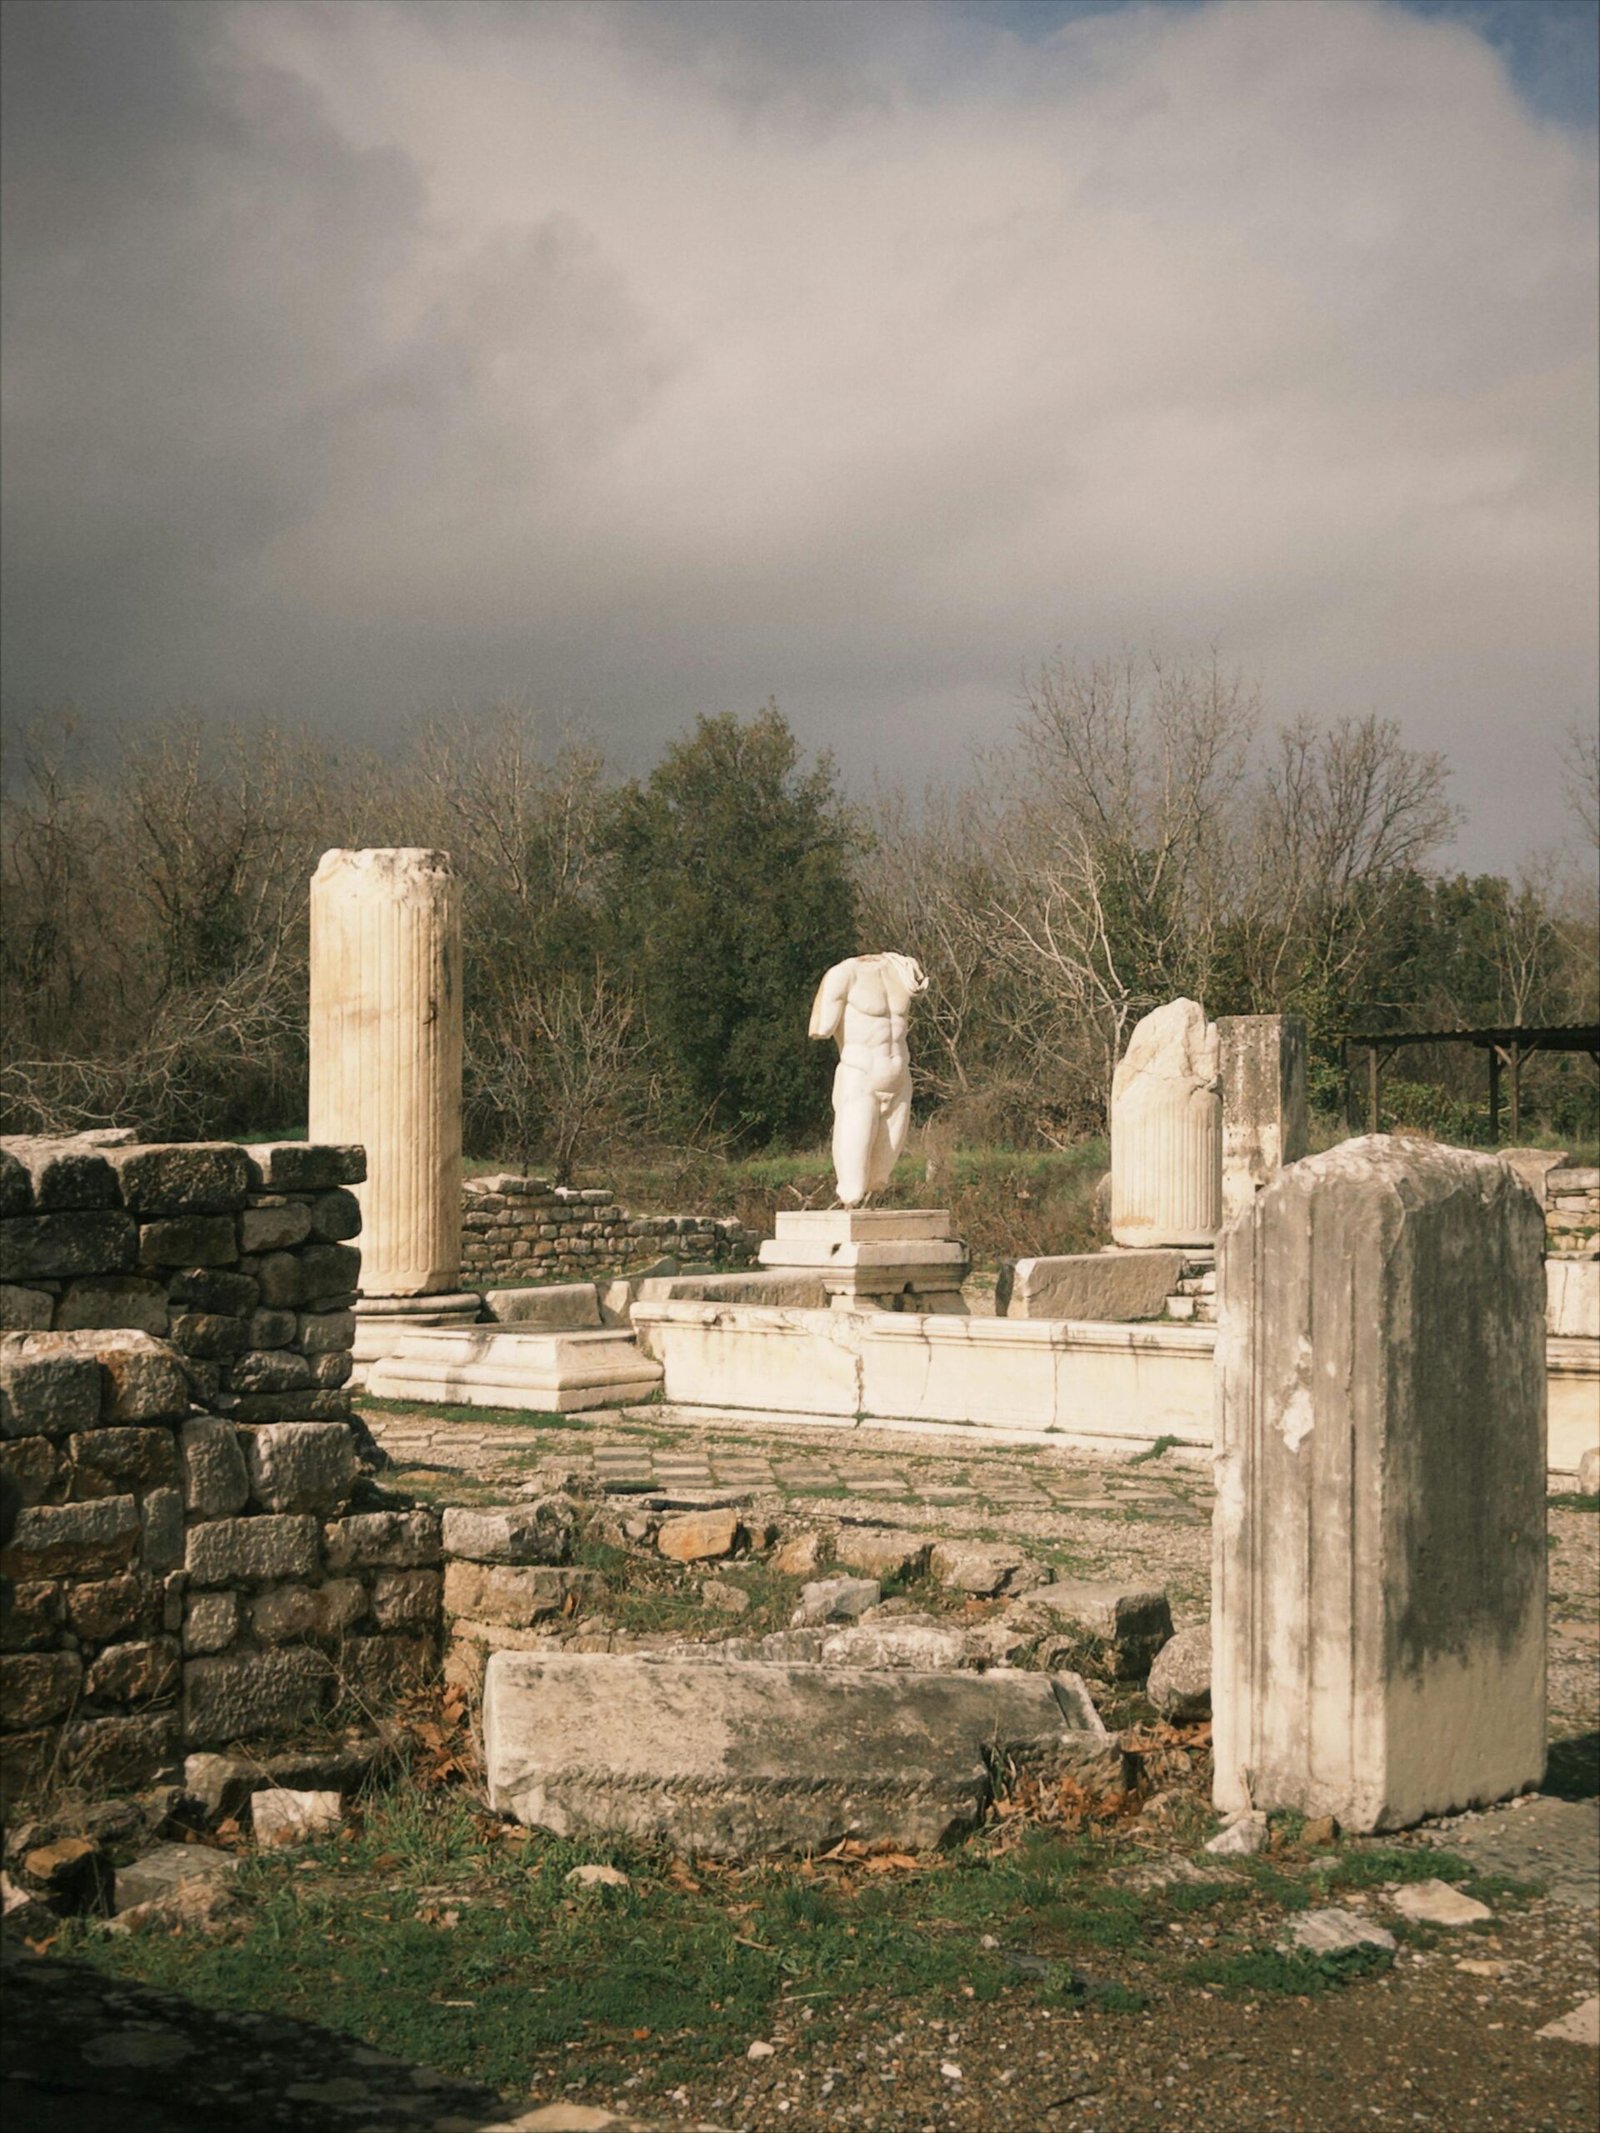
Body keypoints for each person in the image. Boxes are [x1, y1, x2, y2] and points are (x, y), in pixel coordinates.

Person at [808, 953, 928, 1206]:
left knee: (879, 1177)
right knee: (852, 1184)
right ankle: (847, 1209)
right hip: (860, 1076)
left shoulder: (903, 970)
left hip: (899, 1080)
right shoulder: (844, 975)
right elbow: (823, 1027)